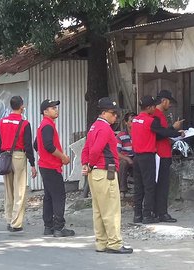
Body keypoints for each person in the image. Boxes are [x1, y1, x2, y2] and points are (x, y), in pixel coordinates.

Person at [82, 97, 133, 254]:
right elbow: (96, 149)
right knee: (111, 209)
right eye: (114, 113)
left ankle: (101, 242)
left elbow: (86, 148)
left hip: (95, 173)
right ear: (104, 113)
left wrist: (86, 165)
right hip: (105, 172)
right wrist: (89, 164)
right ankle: (115, 243)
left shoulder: (94, 127)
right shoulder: (104, 129)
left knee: (98, 210)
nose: (116, 117)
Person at [131, 95, 184, 224]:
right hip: (148, 156)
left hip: (136, 157)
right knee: (149, 186)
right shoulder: (151, 121)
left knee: (138, 187)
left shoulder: (135, 120)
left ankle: (137, 215)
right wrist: (178, 132)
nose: (155, 109)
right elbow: (163, 133)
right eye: (153, 107)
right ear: (149, 107)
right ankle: (147, 215)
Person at [34, 99, 75, 237]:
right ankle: (59, 227)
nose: (56, 110)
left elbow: (36, 145)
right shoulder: (47, 126)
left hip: (45, 166)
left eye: (56, 108)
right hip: (51, 167)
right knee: (59, 196)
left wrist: (45, 156)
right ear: (45, 112)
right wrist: (62, 157)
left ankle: (48, 227)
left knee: (49, 196)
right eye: (52, 108)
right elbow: (49, 146)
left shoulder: (43, 125)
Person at [0, 96, 37, 232]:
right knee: (19, 190)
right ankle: (16, 223)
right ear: (22, 106)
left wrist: (2, 154)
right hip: (19, 156)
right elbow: (28, 145)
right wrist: (32, 163)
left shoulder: (2, 121)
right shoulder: (24, 123)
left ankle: (8, 220)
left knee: (8, 190)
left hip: (5, 155)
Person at [154, 90, 185, 223]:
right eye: (169, 102)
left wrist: (173, 132)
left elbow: (163, 134)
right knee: (162, 185)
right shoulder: (156, 115)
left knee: (162, 184)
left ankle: (159, 212)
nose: (170, 105)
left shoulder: (159, 114)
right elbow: (160, 134)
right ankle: (161, 213)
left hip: (163, 152)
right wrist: (174, 129)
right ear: (164, 101)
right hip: (160, 154)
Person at [116, 112, 136, 196]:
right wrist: (127, 158)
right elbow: (117, 152)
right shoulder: (121, 135)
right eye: (131, 121)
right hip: (125, 158)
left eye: (135, 121)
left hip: (136, 157)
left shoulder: (139, 133)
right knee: (123, 163)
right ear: (126, 122)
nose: (134, 123)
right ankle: (122, 190)